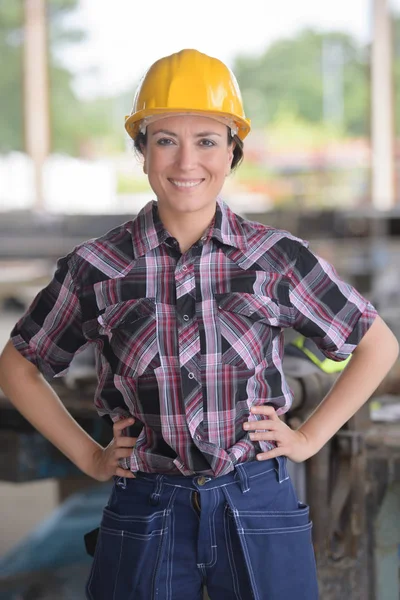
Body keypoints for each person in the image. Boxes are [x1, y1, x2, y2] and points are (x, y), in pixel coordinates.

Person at [0, 48, 398, 600]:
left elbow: (376, 344)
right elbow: (19, 365)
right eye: (166, 140)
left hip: (258, 499)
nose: (187, 162)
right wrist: (90, 456)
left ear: (233, 151)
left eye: (207, 141)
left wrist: (307, 439)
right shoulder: (97, 267)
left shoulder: (276, 258)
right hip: (147, 506)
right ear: (141, 152)